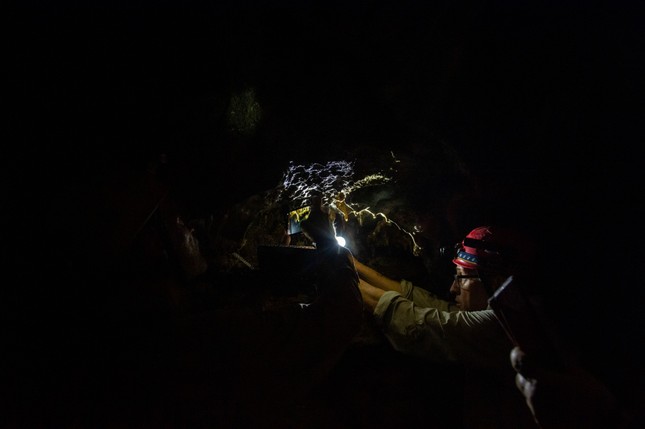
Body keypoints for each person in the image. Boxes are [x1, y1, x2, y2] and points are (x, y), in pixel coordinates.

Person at [355, 225, 538, 428]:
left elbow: (423, 322)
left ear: (496, 282)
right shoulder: (517, 311)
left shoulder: (506, 328)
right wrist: (352, 263)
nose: (453, 289)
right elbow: (432, 306)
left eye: (461, 277)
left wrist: (342, 273)